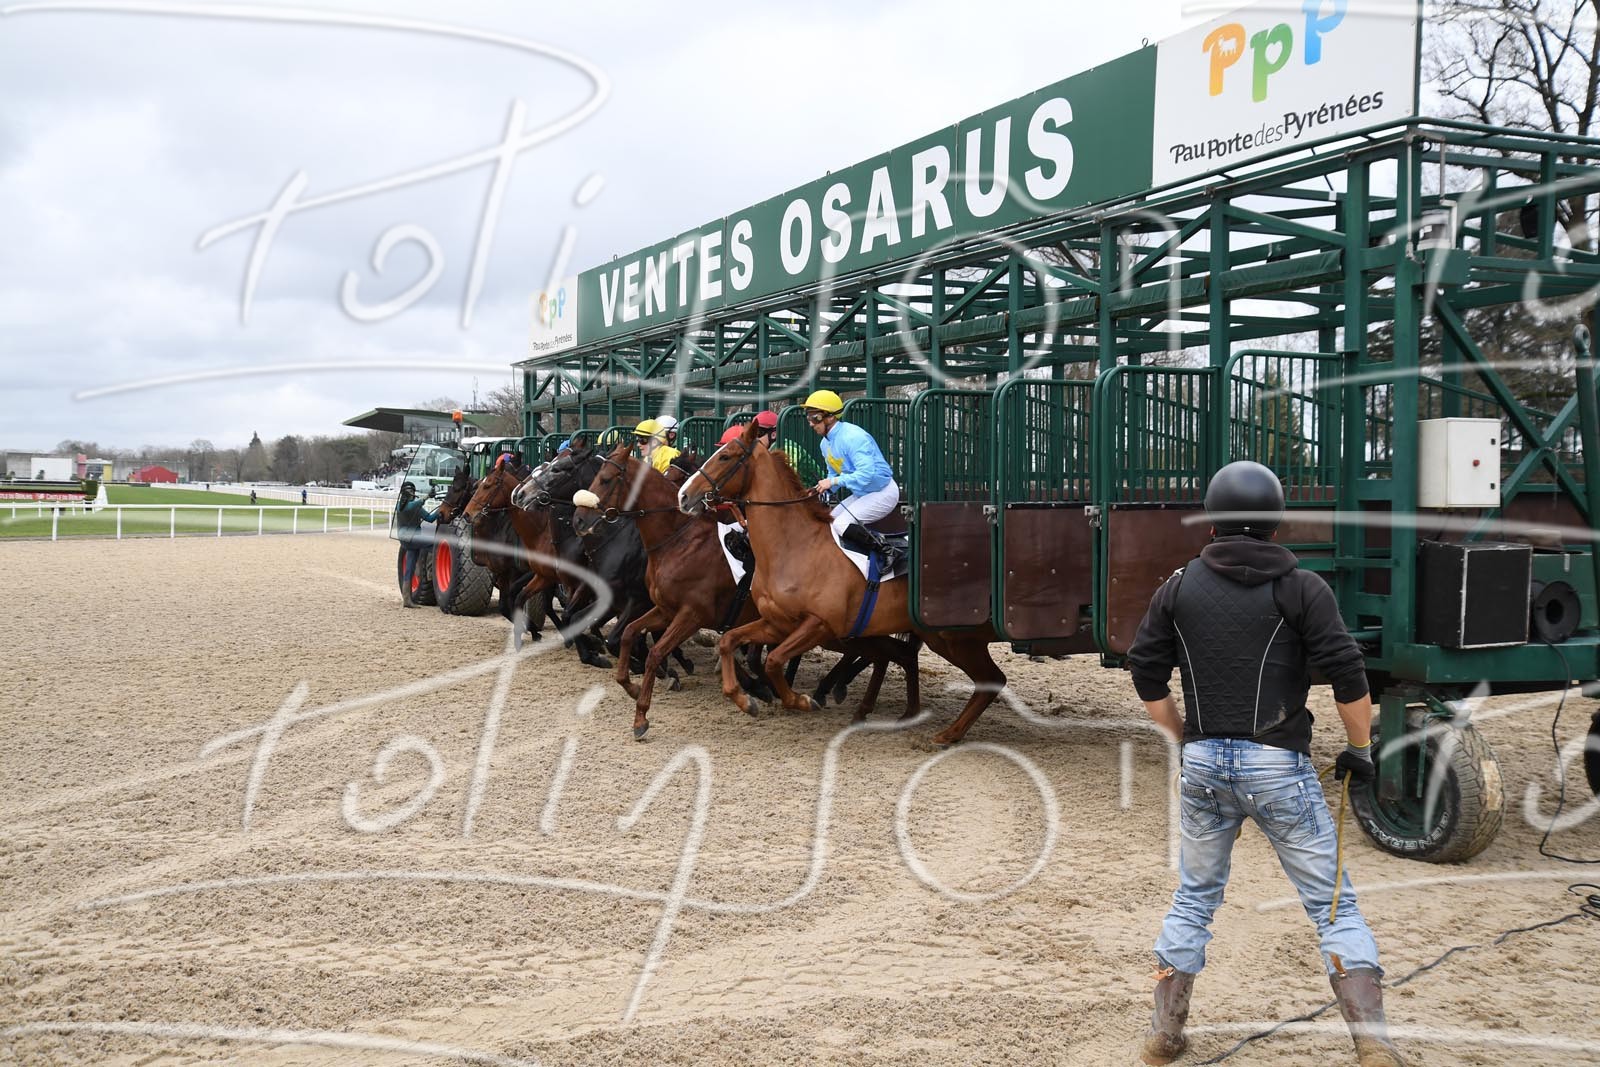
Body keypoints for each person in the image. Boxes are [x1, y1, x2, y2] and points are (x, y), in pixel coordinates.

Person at [1125, 461, 1402, 1067]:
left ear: (1212, 519)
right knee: (1333, 906)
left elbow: (1145, 669)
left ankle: (1164, 1034)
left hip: (1203, 764)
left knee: (1194, 898)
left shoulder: (1177, 586)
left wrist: (1182, 736)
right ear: (1276, 520)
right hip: (1278, 765)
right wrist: (1359, 749)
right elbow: (1348, 673)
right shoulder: (1303, 587)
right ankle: (1373, 1042)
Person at [801, 390, 897, 538]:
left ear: (831, 417)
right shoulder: (824, 444)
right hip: (862, 494)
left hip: (882, 492)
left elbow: (866, 474)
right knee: (830, 523)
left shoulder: (853, 437)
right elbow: (833, 474)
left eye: (815, 418)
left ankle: (884, 549)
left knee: (841, 524)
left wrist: (832, 482)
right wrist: (818, 491)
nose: (811, 424)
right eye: (809, 418)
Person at [393, 481, 438, 608]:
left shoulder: (402, 505)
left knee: (409, 569)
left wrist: (440, 510)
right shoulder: (407, 506)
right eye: (411, 492)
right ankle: (430, 570)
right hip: (412, 538)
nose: (413, 494)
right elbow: (412, 506)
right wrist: (427, 497)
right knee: (435, 545)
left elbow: (430, 518)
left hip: (407, 541)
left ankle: (407, 599)